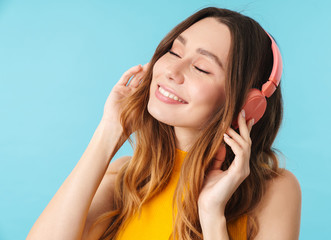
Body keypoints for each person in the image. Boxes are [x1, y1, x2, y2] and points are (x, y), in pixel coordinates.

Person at [27, 7, 301, 240]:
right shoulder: (127, 176)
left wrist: (211, 215)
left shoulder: (275, 190)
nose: (171, 72)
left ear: (249, 104)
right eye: (174, 52)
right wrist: (109, 131)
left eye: (202, 68)